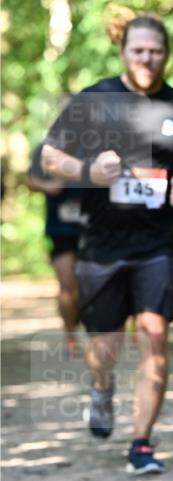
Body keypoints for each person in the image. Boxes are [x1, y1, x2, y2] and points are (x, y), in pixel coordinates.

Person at [41, 13, 173, 475]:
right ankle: (101, 388)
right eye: (139, 50)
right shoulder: (94, 100)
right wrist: (88, 173)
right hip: (101, 243)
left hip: (157, 242)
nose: (147, 59)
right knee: (106, 348)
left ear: (166, 55)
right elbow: (50, 156)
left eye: (155, 51)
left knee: (155, 335)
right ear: (123, 52)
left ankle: (141, 443)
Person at [27, 140, 85, 356]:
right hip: (60, 229)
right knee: (67, 285)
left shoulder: (100, 143)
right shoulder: (45, 148)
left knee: (95, 285)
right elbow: (30, 180)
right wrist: (48, 186)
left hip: (95, 228)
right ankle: (71, 336)